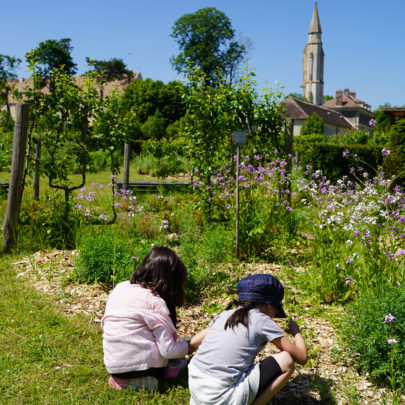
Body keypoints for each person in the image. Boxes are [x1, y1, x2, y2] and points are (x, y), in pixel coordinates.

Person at [188, 273, 308, 405]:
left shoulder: (226, 314)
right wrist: (296, 332)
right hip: (221, 396)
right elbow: (301, 357)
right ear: (268, 306)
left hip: (197, 389)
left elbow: (194, 342)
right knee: (287, 360)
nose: (274, 316)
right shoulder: (262, 320)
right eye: (275, 310)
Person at [102, 246, 207, 391]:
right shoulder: (154, 301)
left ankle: (121, 379)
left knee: (176, 356)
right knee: (177, 358)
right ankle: (139, 382)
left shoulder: (121, 288)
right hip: (141, 367)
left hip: (114, 363)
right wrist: (192, 345)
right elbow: (168, 350)